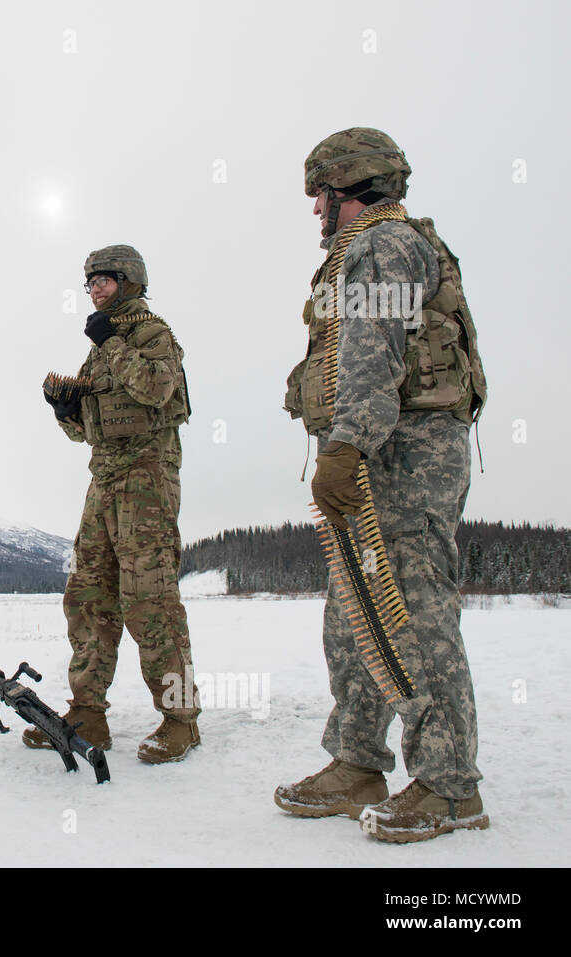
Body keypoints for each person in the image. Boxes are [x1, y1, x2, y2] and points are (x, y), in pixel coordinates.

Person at [276, 127, 489, 842]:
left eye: (321, 197)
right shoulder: (367, 249)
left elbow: (372, 351)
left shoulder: (382, 244)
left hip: (403, 456)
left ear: (352, 189)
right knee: (354, 613)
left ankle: (449, 783)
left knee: (411, 610)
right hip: (377, 453)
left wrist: (346, 442)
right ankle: (357, 761)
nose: (315, 212)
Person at [31, 245, 199, 763]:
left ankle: (180, 720)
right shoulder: (98, 349)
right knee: (88, 596)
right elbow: (90, 431)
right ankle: (88, 713)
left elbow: (153, 388)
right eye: (90, 283)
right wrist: (65, 410)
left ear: (130, 281)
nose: (95, 289)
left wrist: (115, 344)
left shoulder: (153, 336)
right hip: (102, 483)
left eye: (104, 280)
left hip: (146, 483)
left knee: (151, 602)